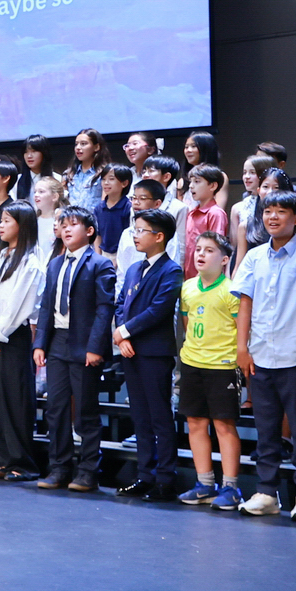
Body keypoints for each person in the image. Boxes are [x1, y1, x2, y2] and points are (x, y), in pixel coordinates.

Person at [232, 190, 296, 520]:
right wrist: (242, 348)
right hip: (259, 354)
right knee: (266, 428)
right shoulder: (255, 256)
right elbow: (244, 304)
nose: (273, 217)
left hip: (295, 354)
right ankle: (266, 491)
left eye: (281, 211)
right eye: (268, 211)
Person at [33, 207, 116, 493]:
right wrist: (40, 343)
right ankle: (59, 467)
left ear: (89, 231)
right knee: (55, 409)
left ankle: (88, 470)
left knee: (85, 411)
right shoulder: (55, 264)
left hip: (85, 346)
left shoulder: (100, 264)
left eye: (73, 225)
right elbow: (46, 306)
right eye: (62, 225)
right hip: (57, 343)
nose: (66, 230)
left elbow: (105, 310)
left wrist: (96, 347)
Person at [111, 207, 183, 499]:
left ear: (160, 236)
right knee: (139, 417)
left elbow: (159, 309)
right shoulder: (133, 269)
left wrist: (124, 331)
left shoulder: (171, 269)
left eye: (141, 230)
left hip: (154, 352)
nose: (135, 235)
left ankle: (165, 479)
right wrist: (121, 335)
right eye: (135, 230)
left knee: (159, 416)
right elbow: (119, 305)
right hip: (131, 352)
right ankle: (145, 475)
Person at [174, 232, 245, 510]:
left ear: (225, 259)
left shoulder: (231, 290)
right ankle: (204, 483)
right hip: (193, 364)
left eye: (209, 251)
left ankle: (231, 487)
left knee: (223, 425)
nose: (200, 254)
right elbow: (187, 323)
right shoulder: (188, 288)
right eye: (198, 249)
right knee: (195, 423)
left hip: (223, 366)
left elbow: (242, 331)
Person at [0, 202, 47, 479]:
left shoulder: (30, 261)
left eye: (7, 220)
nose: (1, 225)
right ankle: (3, 457)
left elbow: (21, 304)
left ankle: (23, 463)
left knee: (16, 400)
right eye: (1, 220)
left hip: (12, 335)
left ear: (23, 224)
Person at [180, 165, 229, 278]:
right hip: (189, 275)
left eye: (197, 182)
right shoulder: (191, 213)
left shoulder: (215, 213)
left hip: (205, 278)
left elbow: (216, 247)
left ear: (212, 185)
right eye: (190, 182)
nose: (191, 186)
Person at [63, 128, 109, 214]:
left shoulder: (104, 173)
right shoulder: (69, 174)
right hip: (72, 222)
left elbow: (106, 203)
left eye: (83, 144)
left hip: (95, 221)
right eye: (76, 144)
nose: (78, 148)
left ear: (96, 147)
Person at [15, 135, 53, 202]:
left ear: (44, 153)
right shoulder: (17, 181)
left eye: (34, 151)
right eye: (26, 152)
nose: (29, 156)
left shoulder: (57, 179)